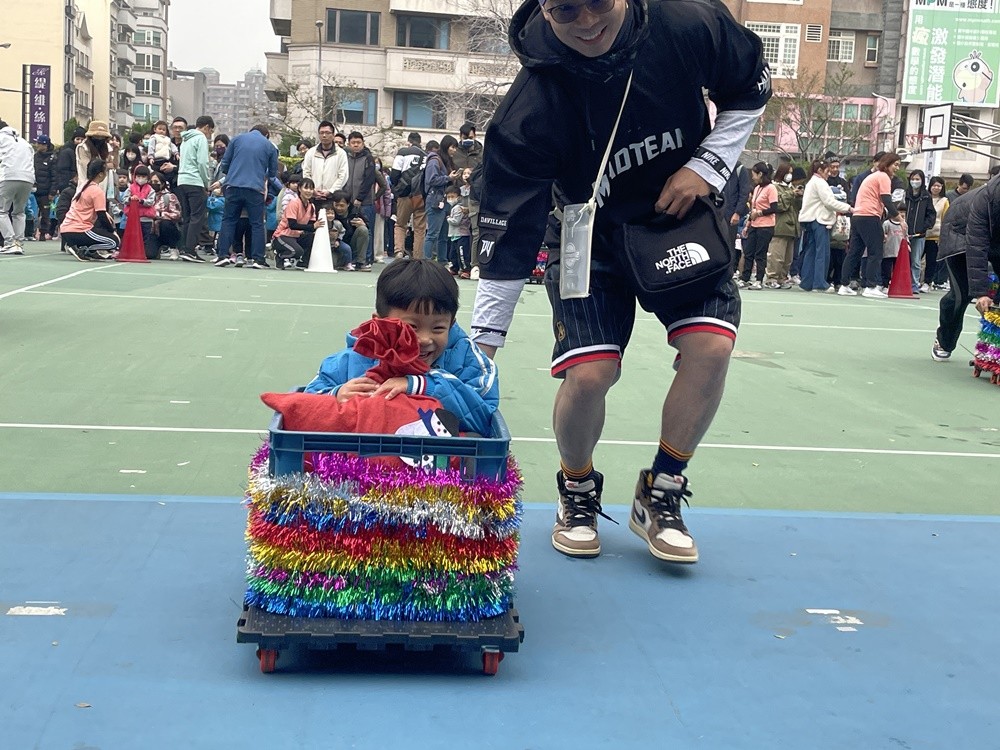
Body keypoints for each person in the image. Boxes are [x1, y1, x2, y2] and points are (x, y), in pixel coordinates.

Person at [470, 0, 770, 563]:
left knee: (711, 347)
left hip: (675, 214)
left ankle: (663, 488)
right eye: (565, 9)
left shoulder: (688, 21)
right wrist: (483, 345)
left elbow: (750, 87)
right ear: (544, 9)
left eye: (597, 2)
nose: (586, 22)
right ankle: (577, 486)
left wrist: (707, 166)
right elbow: (510, 227)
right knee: (590, 374)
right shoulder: (528, 106)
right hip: (588, 234)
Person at [304, 258, 499, 436]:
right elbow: (308, 402)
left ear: (451, 323)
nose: (425, 339)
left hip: (437, 461)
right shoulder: (351, 359)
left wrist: (423, 385)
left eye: (438, 328)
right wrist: (336, 394)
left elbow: (485, 417)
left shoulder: (467, 359)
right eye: (411, 327)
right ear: (380, 323)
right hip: (361, 460)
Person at [932, 167, 1000, 361]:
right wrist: (981, 293)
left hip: (996, 241)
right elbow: (977, 246)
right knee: (961, 294)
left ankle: (993, 351)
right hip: (959, 234)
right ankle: (944, 341)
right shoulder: (985, 200)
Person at [212, 124, 279, 269]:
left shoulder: (237, 139)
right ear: (266, 135)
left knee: (228, 220)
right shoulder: (269, 146)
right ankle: (257, 259)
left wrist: (232, 173)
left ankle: (223, 255)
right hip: (255, 188)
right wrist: (262, 174)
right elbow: (273, 172)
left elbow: (225, 163)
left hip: (233, 186)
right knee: (257, 224)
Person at [839, 152, 905, 298]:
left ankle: (844, 285)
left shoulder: (872, 176)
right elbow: (887, 200)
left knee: (854, 252)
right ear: (887, 164)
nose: (897, 168)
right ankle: (870, 286)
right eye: (895, 165)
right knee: (875, 252)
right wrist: (900, 219)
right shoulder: (883, 177)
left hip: (858, 216)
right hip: (869, 216)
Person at [797, 159, 852, 292]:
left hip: (810, 219)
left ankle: (807, 282)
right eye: (827, 170)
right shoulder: (820, 182)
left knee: (811, 251)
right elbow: (829, 202)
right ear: (820, 170)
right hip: (819, 220)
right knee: (822, 252)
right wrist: (848, 208)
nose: (829, 173)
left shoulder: (811, 182)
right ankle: (819, 283)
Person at [60, 159, 120, 261]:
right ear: (100, 174)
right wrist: (112, 231)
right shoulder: (97, 191)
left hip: (66, 229)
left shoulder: (83, 186)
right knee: (114, 242)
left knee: (103, 235)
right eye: (105, 171)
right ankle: (82, 250)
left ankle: (82, 248)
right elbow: (101, 216)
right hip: (79, 229)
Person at [175, 115, 215, 263]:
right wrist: (206, 182)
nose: (209, 134)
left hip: (182, 180)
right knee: (197, 217)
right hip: (195, 180)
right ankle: (190, 250)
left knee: (187, 217)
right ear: (206, 127)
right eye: (210, 131)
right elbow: (203, 163)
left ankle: (184, 248)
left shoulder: (186, 139)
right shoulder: (200, 138)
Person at [344, 131, 380, 268]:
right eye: (353, 142)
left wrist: (360, 197)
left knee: (367, 229)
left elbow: (369, 179)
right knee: (351, 228)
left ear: (363, 143)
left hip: (365, 202)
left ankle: (367, 259)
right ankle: (353, 259)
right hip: (348, 201)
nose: (356, 145)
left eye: (358, 142)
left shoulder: (368, 158)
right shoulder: (345, 157)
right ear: (349, 144)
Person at [452, 122, 484, 276]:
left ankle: (474, 265)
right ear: (460, 136)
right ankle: (458, 266)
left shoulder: (481, 152)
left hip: (476, 194)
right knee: (458, 233)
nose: (468, 140)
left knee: (476, 231)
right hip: (457, 195)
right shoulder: (455, 152)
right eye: (465, 137)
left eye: (470, 137)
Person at [740, 162, 778, 290]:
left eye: (754, 174)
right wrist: (748, 224)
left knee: (760, 254)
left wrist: (760, 213)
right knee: (748, 252)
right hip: (754, 224)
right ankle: (745, 278)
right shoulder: (756, 188)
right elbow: (753, 208)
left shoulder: (771, 188)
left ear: (760, 174)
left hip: (766, 226)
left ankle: (759, 280)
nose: (753, 177)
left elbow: (774, 208)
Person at [0, 122, 36, 253]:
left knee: (2, 211)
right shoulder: (25, 143)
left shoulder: (1, 139)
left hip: (8, 176)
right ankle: (19, 243)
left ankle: (10, 242)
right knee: (19, 212)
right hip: (28, 178)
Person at [390, 131, 426, 259]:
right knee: (419, 228)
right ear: (420, 142)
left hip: (404, 194)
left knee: (400, 224)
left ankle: (399, 251)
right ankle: (417, 256)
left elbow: (394, 174)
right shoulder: (426, 155)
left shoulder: (403, 152)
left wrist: (397, 187)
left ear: (409, 142)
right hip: (420, 195)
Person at [764, 164, 801, 288]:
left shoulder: (790, 187)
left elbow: (797, 207)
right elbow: (779, 205)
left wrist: (799, 196)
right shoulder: (774, 187)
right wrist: (791, 194)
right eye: (788, 172)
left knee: (788, 258)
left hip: (792, 227)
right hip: (780, 226)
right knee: (776, 255)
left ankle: (782, 278)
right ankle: (771, 278)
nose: (790, 175)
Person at [301, 121, 348, 209]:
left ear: (333, 135)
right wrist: (312, 189)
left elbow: (343, 176)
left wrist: (330, 191)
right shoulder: (311, 152)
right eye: (321, 133)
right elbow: (306, 172)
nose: (324, 135)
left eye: (327, 133)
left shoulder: (341, 153)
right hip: (313, 196)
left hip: (332, 198)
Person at [421, 140, 453, 268]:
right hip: (435, 199)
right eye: (452, 147)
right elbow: (432, 180)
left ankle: (442, 261)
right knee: (432, 234)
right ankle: (427, 262)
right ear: (446, 147)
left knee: (443, 235)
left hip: (443, 200)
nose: (454, 150)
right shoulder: (434, 161)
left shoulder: (444, 161)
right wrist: (448, 178)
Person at [903, 169, 936, 294]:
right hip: (903, 234)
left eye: (917, 179)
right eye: (912, 179)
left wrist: (924, 227)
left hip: (919, 235)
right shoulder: (905, 194)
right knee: (901, 260)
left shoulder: (926, 196)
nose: (914, 181)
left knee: (916, 261)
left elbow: (931, 214)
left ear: (922, 181)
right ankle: (899, 282)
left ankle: (914, 284)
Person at [720, 159, 751, 273]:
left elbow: (744, 193)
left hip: (731, 213)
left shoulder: (739, 169)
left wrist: (737, 212)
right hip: (719, 211)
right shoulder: (720, 166)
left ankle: (729, 272)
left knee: (730, 244)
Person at [330, 190, 370, 271]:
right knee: (333, 263)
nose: (338, 208)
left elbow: (368, 225)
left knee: (363, 229)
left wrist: (364, 224)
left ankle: (360, 262)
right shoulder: (329, 212)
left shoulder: (355, 212)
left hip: (351, 244)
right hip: (335, 246)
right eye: (336, 205)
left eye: (342, 205)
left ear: (348, 204)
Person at [922, 176, 949, 292]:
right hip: (921, 233)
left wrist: (943, 236)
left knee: (931, 260)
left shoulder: (944, 201)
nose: (936, 188)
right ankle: (915, 281)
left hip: (935, 235)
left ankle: (927, 282)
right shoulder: (924, 198)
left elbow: (946, 219)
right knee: (916, 259)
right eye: (934, 185)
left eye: (939, 186)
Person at [149, 172, 183, 260]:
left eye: (156, 182)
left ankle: (173, 248)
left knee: (165, 224)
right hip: (152, 230)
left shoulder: (169, 196)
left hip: (166, 228)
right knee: (150, 255)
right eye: (151, 182)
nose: (153, 184)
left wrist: (160, 215)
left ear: (163, 183)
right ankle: (157, 249)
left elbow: (177, 214)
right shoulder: (146, 197)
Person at [31, 135, 56, 241]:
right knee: (31, 212)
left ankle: (43, 233)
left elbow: (54, 176)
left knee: (45, 213)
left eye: (39, 143)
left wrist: (52, 192)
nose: (37, 145)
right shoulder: (35, 156)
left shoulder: (52, 158)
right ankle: (31, 232)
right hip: (34, 190)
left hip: (46, 191)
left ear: (45, 145)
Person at [75, 121, 111, 193]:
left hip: (103, 187)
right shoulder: (83, 147)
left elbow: (114, 165)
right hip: (86, 186)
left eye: (102, 137)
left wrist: (115, 150)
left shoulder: (106, 147)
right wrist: (105, 165)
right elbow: (88, 167)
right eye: (97, 136)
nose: (100, 139)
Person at [445, 184, 472, 276]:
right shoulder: (453, 208)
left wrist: (448, 219)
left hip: (461, 235)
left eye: (452, 197)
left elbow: (456, 221)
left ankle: (466, 270)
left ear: (458, 197)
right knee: (453, 254)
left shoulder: (458, 208)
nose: (450, 199)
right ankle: (454, 268)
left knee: (462, 254)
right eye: (448, 197)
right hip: (454, 235)